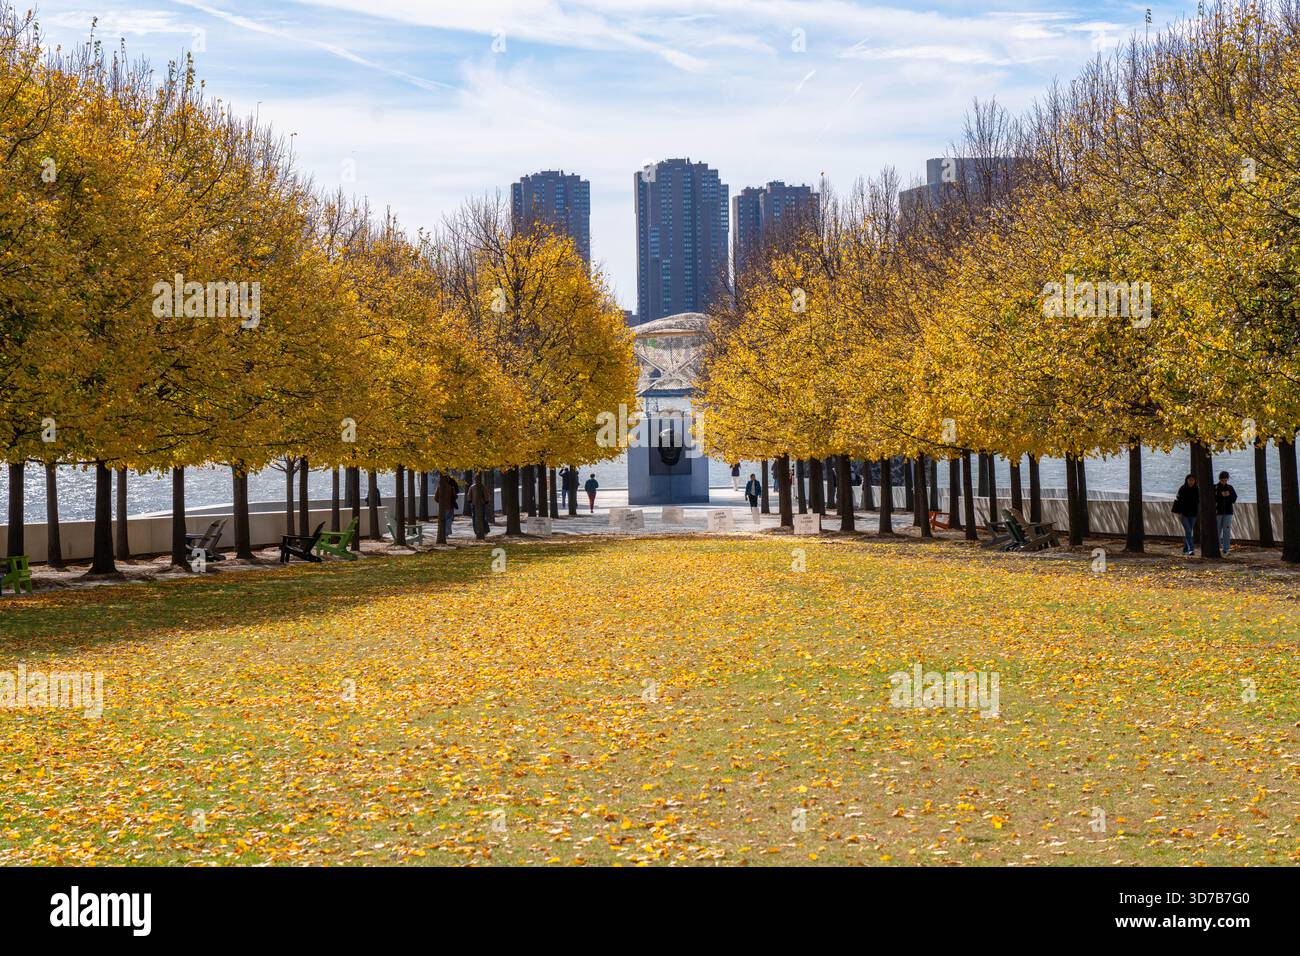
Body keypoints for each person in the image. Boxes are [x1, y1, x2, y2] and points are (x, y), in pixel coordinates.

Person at [1172, 473, 1199, 556]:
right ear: (1186, 480)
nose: (1191, 482)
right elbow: (1178, 499)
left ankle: (1185, 549)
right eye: (1190, 480)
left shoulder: (1197, 489)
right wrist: (1179, 512)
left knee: (1189, 532)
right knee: (1188, 530)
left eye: (1193, 480)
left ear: (1195, 481)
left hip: (1193, 514)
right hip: (1183, 514)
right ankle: (1191, 550)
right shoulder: (1182, 489)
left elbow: (1198, 501)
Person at [1215, 470, 1238, 555]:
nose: (1224, 482)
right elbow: (1213, 498)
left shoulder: (1230, 487)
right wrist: (1221, 495)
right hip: (1218, 512)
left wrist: (1228, 496)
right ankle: (1216, 547)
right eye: (1222, 480)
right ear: (1219, 479)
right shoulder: (1215, 487)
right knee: (1217, 530)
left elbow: (1234, 498)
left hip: (1228, 512)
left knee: (1227, 530)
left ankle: (1226, 548)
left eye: (1225, 480)